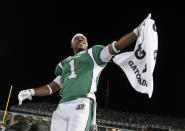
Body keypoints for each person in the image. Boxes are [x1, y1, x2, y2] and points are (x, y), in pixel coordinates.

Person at [18, 14, 149, 131]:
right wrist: (31, 91)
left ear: (87, 44)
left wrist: (136, 32)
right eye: (77, 38)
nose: (81, 39)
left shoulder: (94, 54)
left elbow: (116, 46)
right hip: (62, 106)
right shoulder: (64, 63)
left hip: (81, 103)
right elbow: (52, 87)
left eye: (83, 38)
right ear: (71, 45)